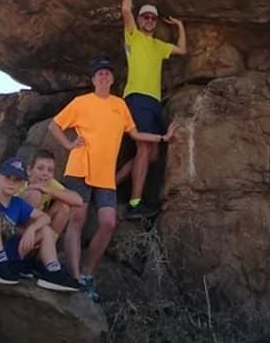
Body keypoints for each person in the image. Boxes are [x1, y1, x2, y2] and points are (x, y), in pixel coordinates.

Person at [47, 56, 176, 301]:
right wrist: (69, 144)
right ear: (93, 79)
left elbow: (135, 133)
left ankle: (87, 274)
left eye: (107, 73)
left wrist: (162, 139)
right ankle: (75, 278)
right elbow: (54, 125)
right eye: (99, 74)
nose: (104, 77)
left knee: (108, 222)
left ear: (112, 79)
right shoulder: (81, 102)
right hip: (81, 168)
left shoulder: (120, 105)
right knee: (77, 219)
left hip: (105, 175)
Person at [0, 157, 80, 292]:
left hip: (4, 259)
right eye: (8, 177)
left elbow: (45, 218)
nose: (11, 183)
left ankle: (52, 270)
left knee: (45, 229)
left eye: (17, 180)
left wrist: (31, 230)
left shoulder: (17, 203)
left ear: (22, 184)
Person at [116, 0, 186, 220]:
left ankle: (111, 184)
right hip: (136, 98)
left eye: (153, 18)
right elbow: (126, 11)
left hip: (154, 102)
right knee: (143, 148)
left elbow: (183, 50)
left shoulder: (158, 46)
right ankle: (136, 202)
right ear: (139, 20)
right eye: (145, 17)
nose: (149, 20)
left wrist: (179, 26)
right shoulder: (133, 36)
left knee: (152, 155)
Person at [20, 148, 84, 238]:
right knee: (35, 194)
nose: (45, 173)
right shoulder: (19, 183)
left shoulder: (49, 183)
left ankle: (47, 242)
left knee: (64, 205)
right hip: (17, 228)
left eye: (49, 170)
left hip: (40, 226)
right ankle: (24, 240)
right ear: (29, 170)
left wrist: (46, 190)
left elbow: (78, 200)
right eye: (40, 168)